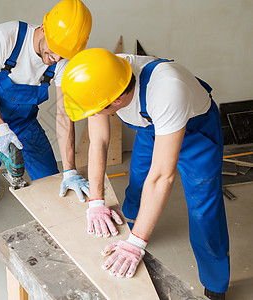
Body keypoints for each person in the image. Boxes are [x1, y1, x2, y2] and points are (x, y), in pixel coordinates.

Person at [61, 48, 230, 300]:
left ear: (116, 101)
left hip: (197, 133)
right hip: (151, 127)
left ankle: (215, 284)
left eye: (94, 110)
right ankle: (132, 226)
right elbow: (98, 141)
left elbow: (163, 176)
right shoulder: (105, 75)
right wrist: (96, 201)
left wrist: (136, 244)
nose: (92, 114)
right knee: (138, 185)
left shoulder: (167, 90)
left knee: (203, 208)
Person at [0, 0, 92, 213]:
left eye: (64, 54)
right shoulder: (5, 37)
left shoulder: (63, 61)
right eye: (55, 49)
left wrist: (70, 171)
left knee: (50, 176)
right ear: (43, 27)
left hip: (24, 122)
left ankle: (54, 214)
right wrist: (1, 128)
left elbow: (64, 114)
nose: (57, 58)